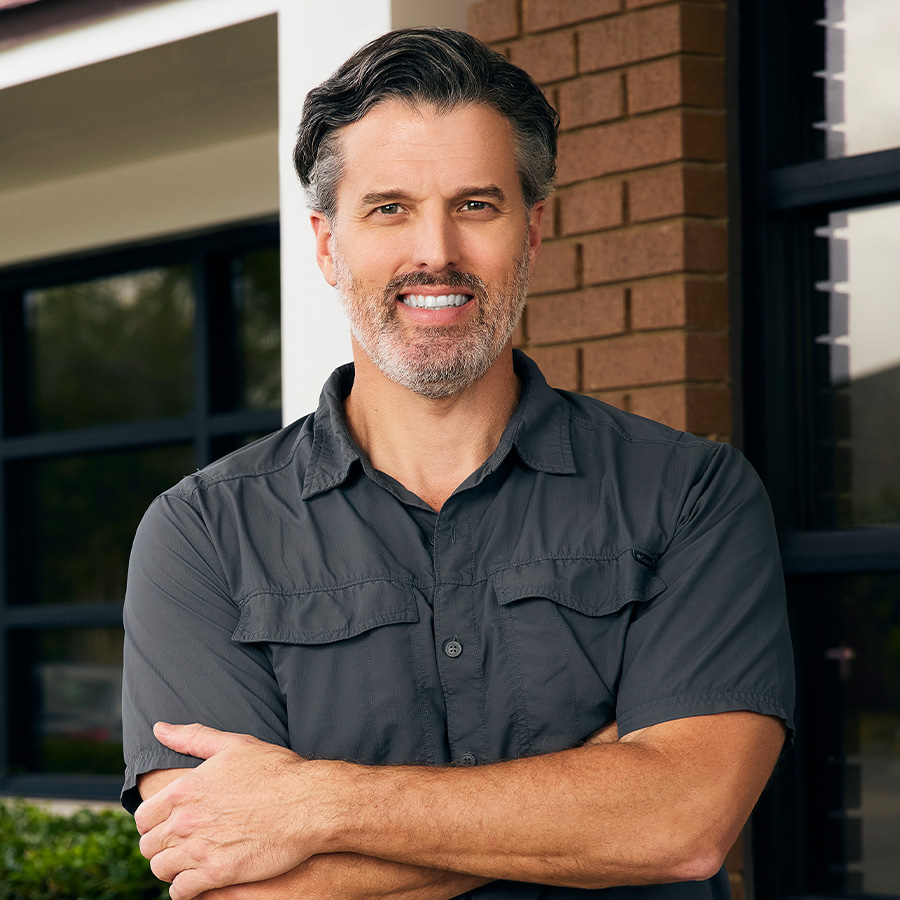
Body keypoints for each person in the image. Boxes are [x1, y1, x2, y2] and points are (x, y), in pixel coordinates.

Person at [122, 27, 794, 900]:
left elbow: (683, 823)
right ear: (327, 244)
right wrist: (593, 798)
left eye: (476, 205)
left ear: (534, 229)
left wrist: (313, 802)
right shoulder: (202, 534)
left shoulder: (690, 494)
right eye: (389, 208)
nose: (434, 251)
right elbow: (232, 881)